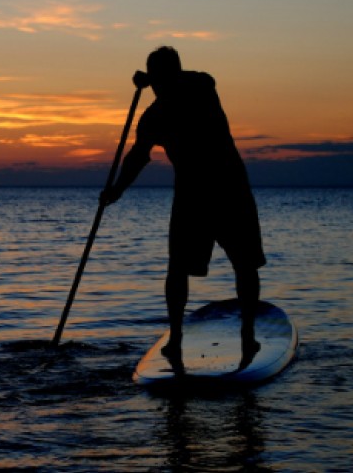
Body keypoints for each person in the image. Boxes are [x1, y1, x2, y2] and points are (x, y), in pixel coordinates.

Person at [100, 46, 266, 363]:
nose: (160, 87)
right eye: (157, 80)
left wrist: (152, 78)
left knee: (244, 263)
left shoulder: (201, 87)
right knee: (178, 267)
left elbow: (196, 79)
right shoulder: (153, 117)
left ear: (174, 74)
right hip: (191, 196)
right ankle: (175, 338)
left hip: (230, 188)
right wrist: (117, 190)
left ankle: (248, 334)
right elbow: (138, 156)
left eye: (163, 78)